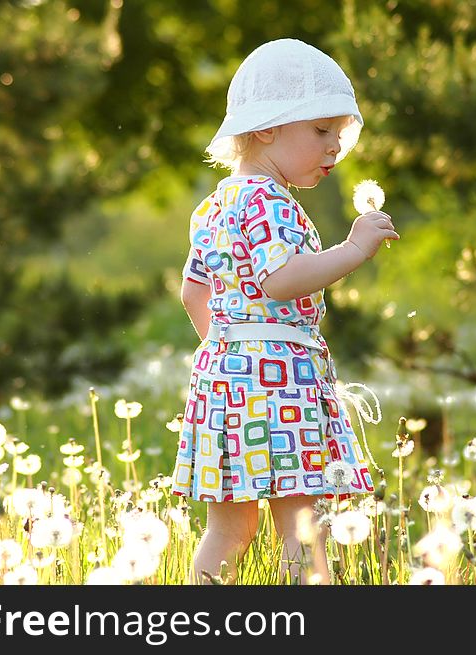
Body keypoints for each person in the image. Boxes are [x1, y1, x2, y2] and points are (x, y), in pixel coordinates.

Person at [171, 38, 399, 585]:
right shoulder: (270, 201)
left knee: (227, 531)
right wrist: (351, 251)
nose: (334, 149)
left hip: (225, 383)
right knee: (304, 525)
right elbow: (279, 281)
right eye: (321, 132)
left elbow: (193, 293)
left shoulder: (218, 202)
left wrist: (228, 353)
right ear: (268, 127)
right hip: (280, 386)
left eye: (338, 136)